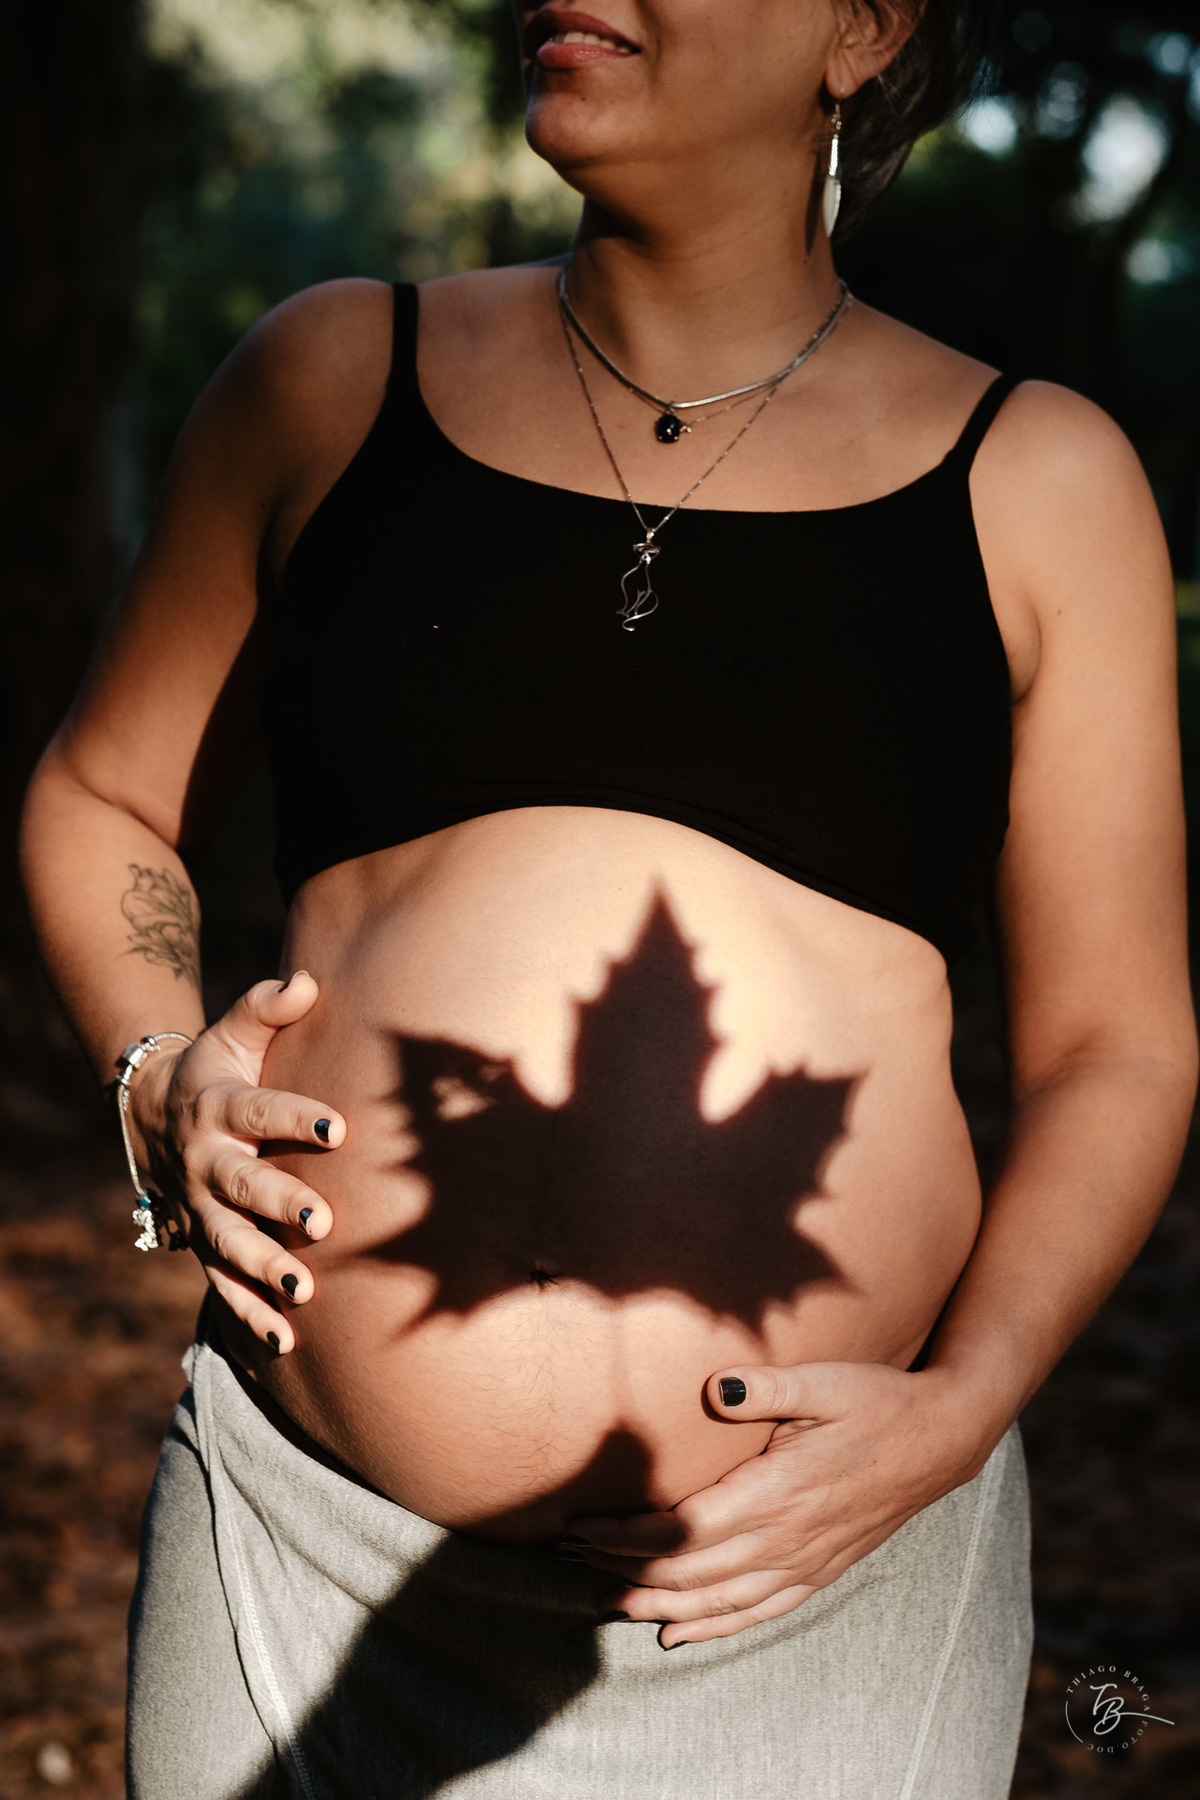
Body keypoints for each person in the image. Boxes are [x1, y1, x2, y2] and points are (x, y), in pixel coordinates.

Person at [19, 1, 1196, 1796]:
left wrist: (961, 1414)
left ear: (862, 31)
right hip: (299, 1547)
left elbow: (1118, 1046)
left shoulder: (1040, 480)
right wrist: (151, 1067)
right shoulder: (327, 382)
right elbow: (101, 788)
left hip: (811, 1596)